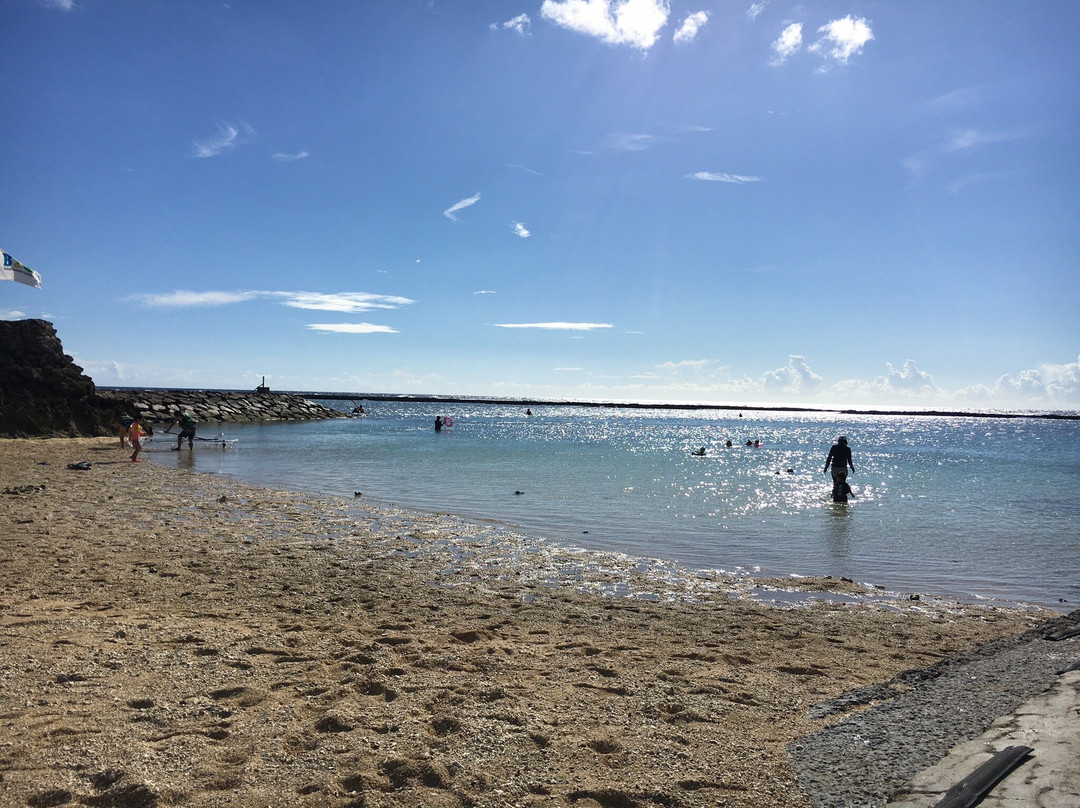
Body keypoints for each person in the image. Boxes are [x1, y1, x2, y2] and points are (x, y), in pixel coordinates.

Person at [823, 436, 854, 502]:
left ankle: (834, 495)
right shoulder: (847, 449)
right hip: (843, 468)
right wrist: (852, 467)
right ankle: (842, 495)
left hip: (834, 467)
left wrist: (826, 467)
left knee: (835, 482)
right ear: (845, 442)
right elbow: (849, 460)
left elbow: (829, 458)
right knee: (843, 483)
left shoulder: (834, 447)